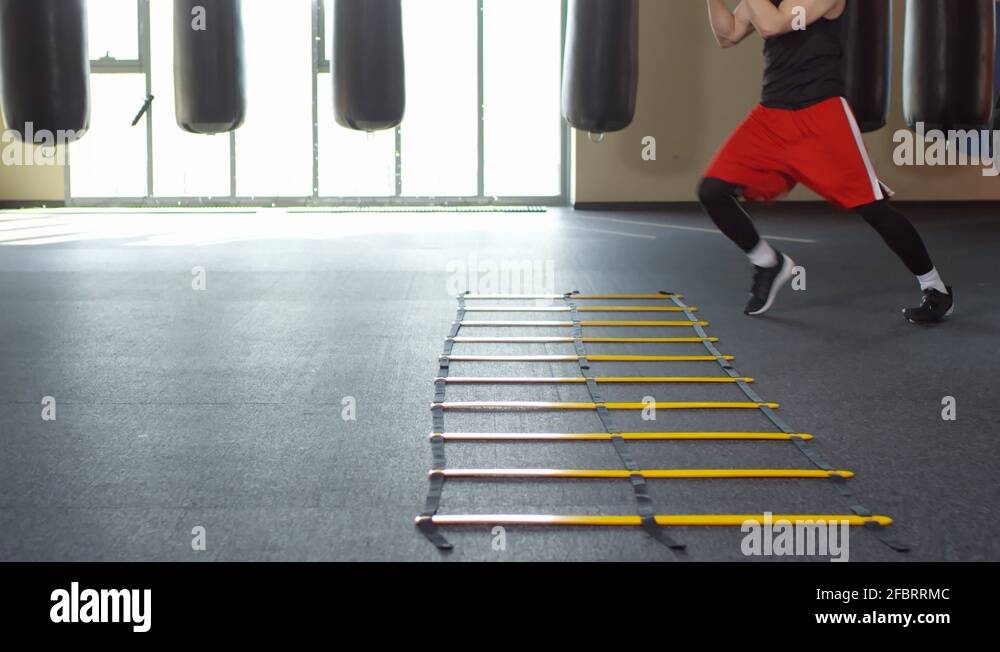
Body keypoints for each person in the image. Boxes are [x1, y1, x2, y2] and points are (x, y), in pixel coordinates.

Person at [701, 0, 953, 323]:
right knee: (712, 190)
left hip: (821, 116)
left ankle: (935, 288)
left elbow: (773, 24)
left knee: (873, 208)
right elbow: (728, 34)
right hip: (771, 116)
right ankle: (768, 262)